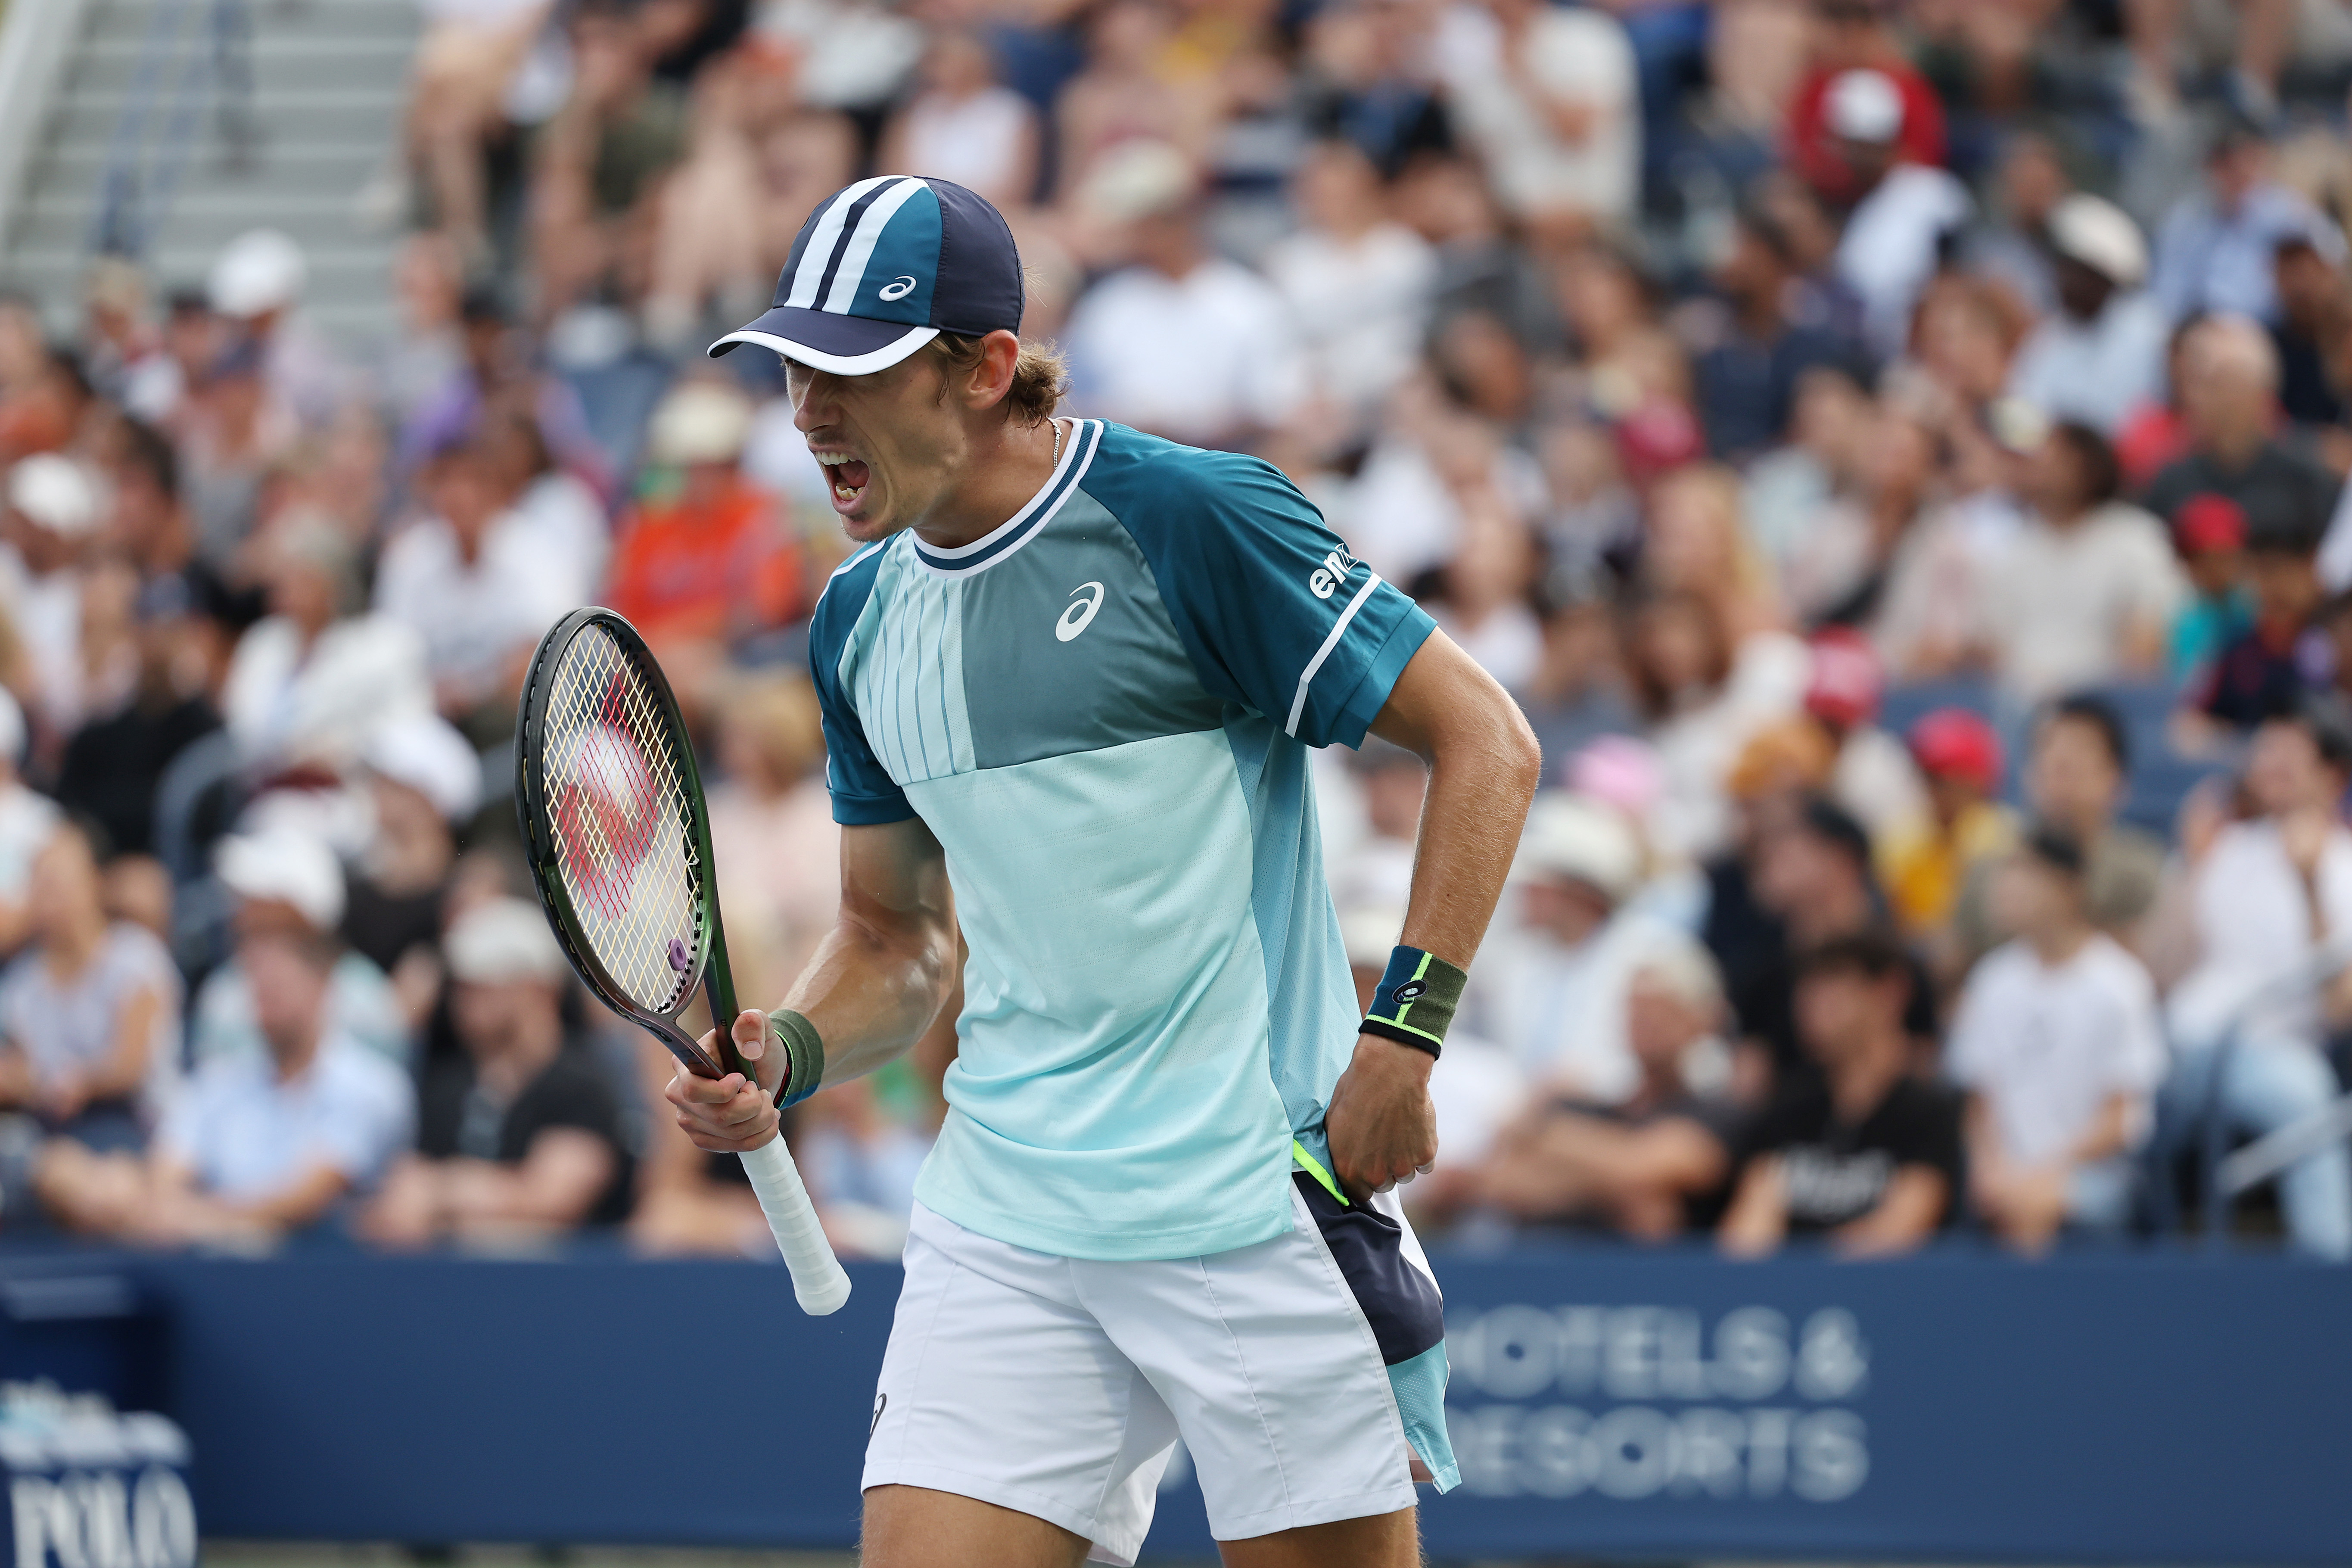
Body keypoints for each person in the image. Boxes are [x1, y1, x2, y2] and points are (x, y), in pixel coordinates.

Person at [684, 176, 1541, 1565]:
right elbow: (895, 941)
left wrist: (1404, 1035)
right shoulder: (853, 622)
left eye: (852, 369)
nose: (806, 411)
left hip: (1253, 1197)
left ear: (986, 369)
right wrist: (785, 1045)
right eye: (793, 368)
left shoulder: (1191, 515)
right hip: (1008, 1212)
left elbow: (1485, 742)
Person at [39, 925, 412, 1246]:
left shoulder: (372, 1086)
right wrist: (170, 1208)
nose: (267, 998)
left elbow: (306, 1199)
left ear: (321, 987)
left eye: (281, 984)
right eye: (259, 986)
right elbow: (168, 1169)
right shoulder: (216, 1082)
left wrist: (203, 1220)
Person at [2165, 705, 2352, 1259]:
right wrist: (2191, 863)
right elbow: (2162, 969)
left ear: (2331, 773)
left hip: (2273, 1050)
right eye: (2263, 750)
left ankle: (2331, 1270)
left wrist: (2309, 884)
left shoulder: (2344, 867)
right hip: (2180, 1047)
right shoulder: (2224, 848)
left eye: (2288, 753)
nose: (2268, 765)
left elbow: (2340, 1010)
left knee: (2307, 1104)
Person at [363, 898, 632, 1247]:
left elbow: (554, 1202)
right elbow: (403, 1200)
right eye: (461, 984)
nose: (467, 997)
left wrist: (441, 1193)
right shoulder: (447, 1086)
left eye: (488, 982)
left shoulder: (583, 1083)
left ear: (541, 988)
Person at [1949, 826, 2166, 1252]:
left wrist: (2039, 1174)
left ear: (2069, 887)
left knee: (2033, 1209)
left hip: (2095, 1174)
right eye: (2006, 873)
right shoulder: (1991, 981)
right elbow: (1978, 1101)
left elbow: (2121, 1120)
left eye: (2026, 873)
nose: (2008, 887)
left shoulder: (2121, 983)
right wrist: (1990, 1167)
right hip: (2003, 1171)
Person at [1718, 930, 1963, 1258]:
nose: (1812, 1004)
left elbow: (1902, 1228)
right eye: (1807, 990)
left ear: (1890, 992)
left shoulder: (1929, 1112)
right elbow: (1747, 1233)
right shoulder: (1790, 1109)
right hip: (1790, 1301)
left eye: (1833, 986)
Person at [1475, 938, 1741, 1241]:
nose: (1645, 1021)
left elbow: (1648, 1183)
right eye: (1636, 1007)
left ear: (1702, 1019)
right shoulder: (1586, 1107)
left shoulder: (1720, 1112)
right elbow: (1502, 1184)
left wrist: (1548, 1137)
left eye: (1662, 1009)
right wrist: (1616, 1188)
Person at [1463, 792, 1678, 1104]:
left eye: (1539, 886)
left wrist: (1580, 1084)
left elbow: (1663, 1067)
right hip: (1525, 1125)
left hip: (1616, 1123)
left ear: (1580, 893)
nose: (1524, 893)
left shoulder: (1651, 953)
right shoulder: (1517, 959)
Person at [0, 825, 181, 1149]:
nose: (49, 896)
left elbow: (132, 1065)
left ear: (95, 882)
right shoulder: (22, 983)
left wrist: (83, 1083)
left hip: (135, 1124)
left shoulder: (138, 957)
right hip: (49, 1128)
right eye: (40, 883)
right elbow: (24, 1071)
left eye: (59, 882)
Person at [1983, 422, 2184, 701]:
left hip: (2107, 705)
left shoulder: (2135, 538)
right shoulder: (2012, 550)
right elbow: (1993, 645)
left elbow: (2150, 636)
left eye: (2059, 458)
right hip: (2021, 706)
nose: (2045, 469)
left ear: (2091, 466)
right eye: (2041, 458)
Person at [188, 830, 409, 1068]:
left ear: (300, 914)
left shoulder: (366, 999)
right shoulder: (225, 994)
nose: (242, 912)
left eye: (262, 898)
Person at [2144, 316, 2340, 551]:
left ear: (2255, 391)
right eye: (2190, 384)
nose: (2192, 397)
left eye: (2209, 383)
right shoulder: (2170, 481)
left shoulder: (2306, 477)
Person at [2006, 195, 2169, 437]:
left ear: (2105, 276)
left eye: (2075, 272)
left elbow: (2122, 423)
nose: (2063, 282)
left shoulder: (2146, 329)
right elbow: (2019, 418)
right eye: (2061, 269)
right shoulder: (2053, 330)